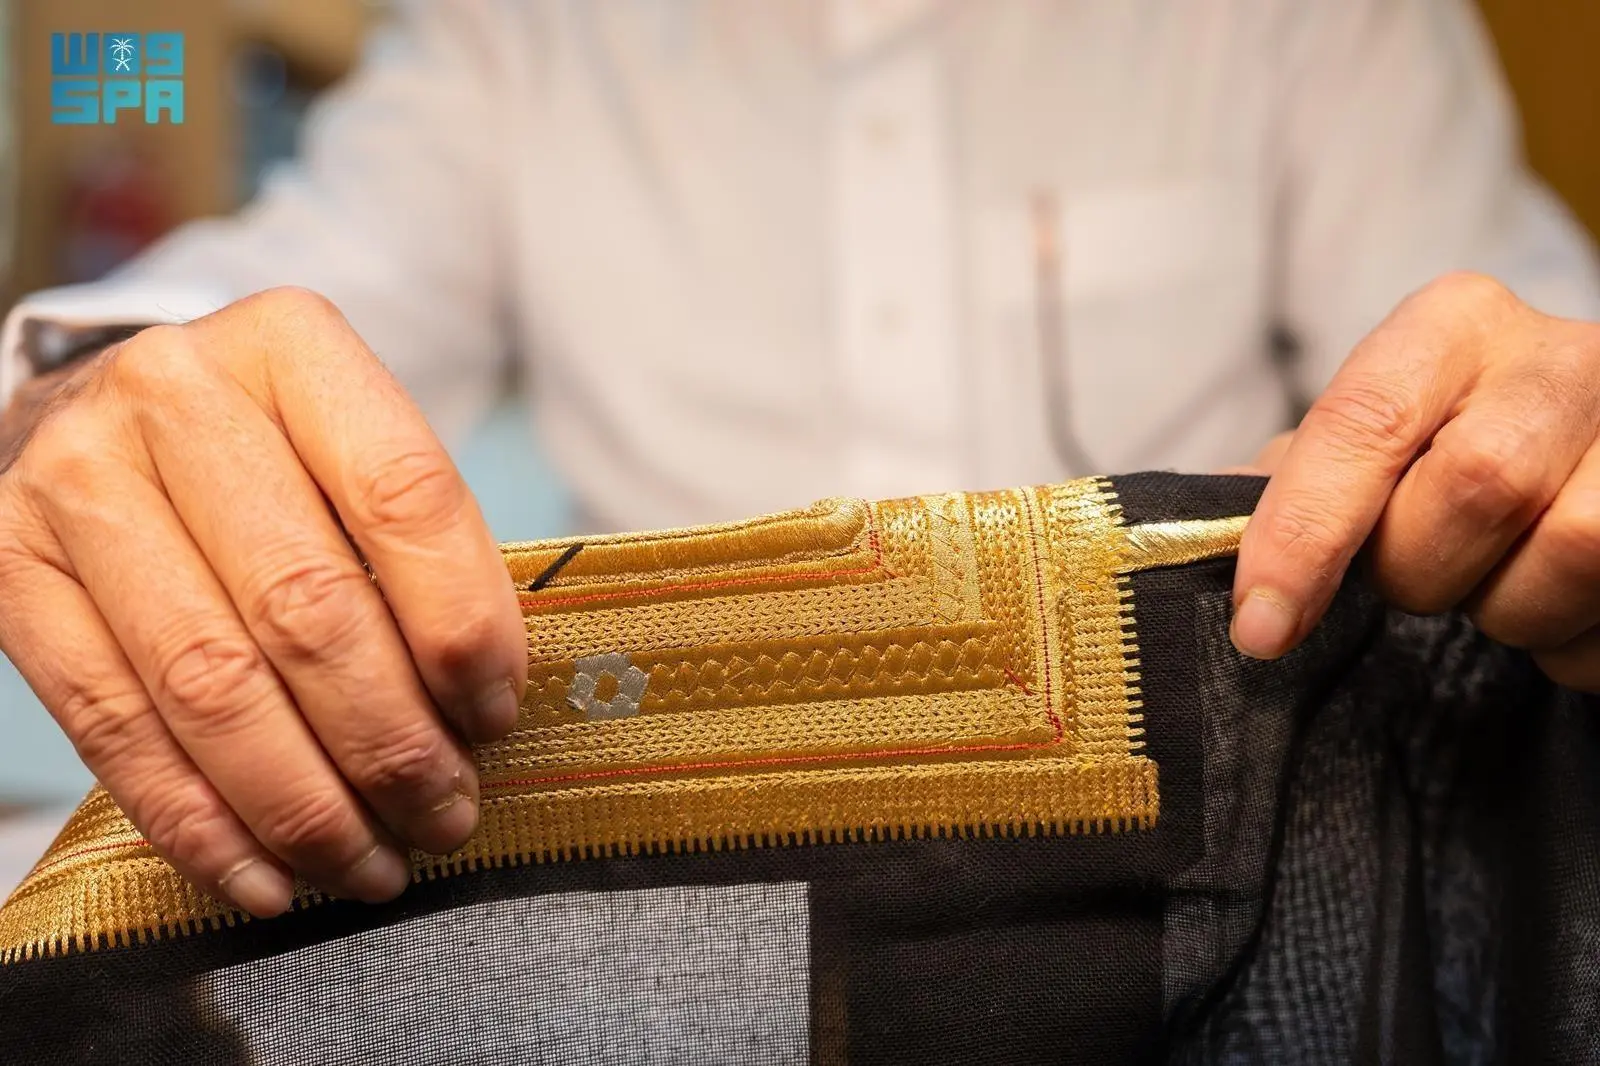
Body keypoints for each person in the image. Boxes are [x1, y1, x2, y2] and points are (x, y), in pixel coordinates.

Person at [2, 0, 1599, 922]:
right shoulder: (515, 33)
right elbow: (279, 284)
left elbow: (1516, 354)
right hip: (649, 882)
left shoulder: (1317, 22)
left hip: (1216, 878)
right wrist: (87, 403)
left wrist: (1547, 427)